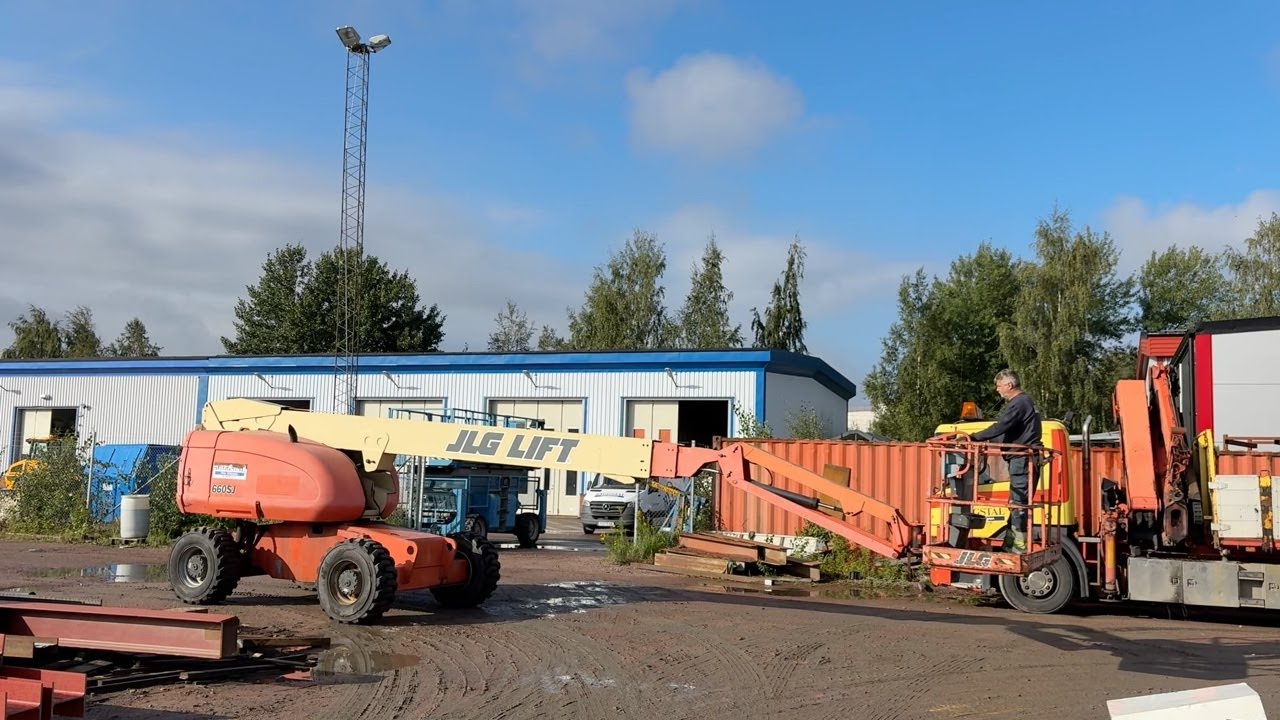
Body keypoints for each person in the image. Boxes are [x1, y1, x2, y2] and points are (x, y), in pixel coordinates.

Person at [969, 369, 1042, 552]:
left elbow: (1001, 426)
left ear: (1009, 385)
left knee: (1019, 504)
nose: (997, 390)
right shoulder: (1026, 403)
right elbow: (1007, 432)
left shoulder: (1019, 403)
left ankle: (1017, 547)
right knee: (1018, 503)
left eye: (999, 385)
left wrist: (974, 437)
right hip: (1026, 458)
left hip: (1021, 459)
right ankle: (1011, 544)